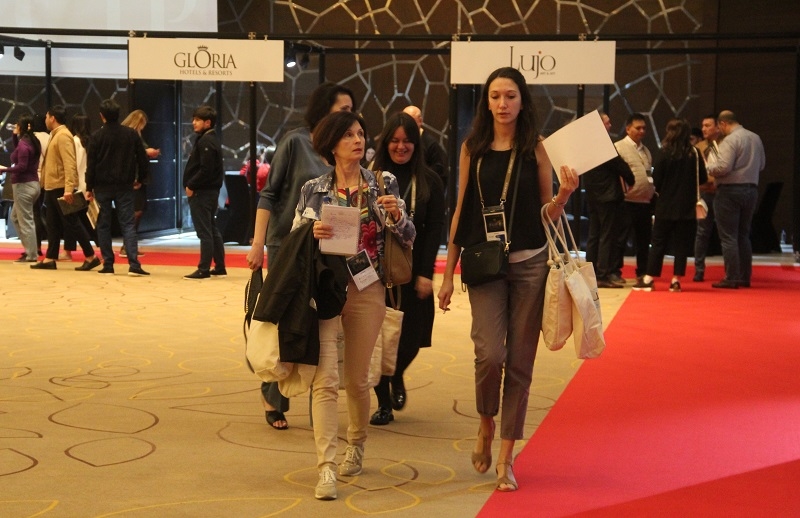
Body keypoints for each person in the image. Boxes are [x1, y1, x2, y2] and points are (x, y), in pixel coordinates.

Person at [437, 67, 578, 493]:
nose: (502, 104)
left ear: (522, 101)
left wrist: (563, 196)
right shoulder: (473, 148)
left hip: (530, 264)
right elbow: (461, 209)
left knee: (519, 362)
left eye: (510, 96)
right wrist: (447, 274)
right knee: (489, 354)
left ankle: (506, 456)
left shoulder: (536, 147)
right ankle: (485, 422)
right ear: (486, 101)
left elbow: (545, 211)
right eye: (495, 96)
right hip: (484, 263)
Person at [293, 110, 415, 500]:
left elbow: (409, 235)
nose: (358, 140)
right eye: (348, 135)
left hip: (368, 287)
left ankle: (356, 443)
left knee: (358, 379)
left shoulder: (383, 182)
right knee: (324, 380)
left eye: (361, 133)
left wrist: (396, 216)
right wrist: (311, 231)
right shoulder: (314, 188)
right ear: (332, 144)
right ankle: (326, 467)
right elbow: (295, 238)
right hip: (326, 289)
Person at [246, 82, 355, 431]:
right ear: (324, 110)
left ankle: (317, 402)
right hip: (289, 244)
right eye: (342, 109)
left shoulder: (345, 151)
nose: (349, 117)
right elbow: (269, 194)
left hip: (330, 251)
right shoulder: (295, 143)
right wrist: (257, 243)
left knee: (321, 325)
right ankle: (273, 394)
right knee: (287, 320)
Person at [368, 112, 445, 426]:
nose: (401, 147)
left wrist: (426, 273)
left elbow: (435, 229)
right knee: (376, 338)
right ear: (386, 143)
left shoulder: (429, 180)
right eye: (395, 141)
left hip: (413, 270)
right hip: (376, 272)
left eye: (407, 141)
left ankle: (396, 372)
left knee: (413, 336)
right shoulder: (370, 178)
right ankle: (383, 402)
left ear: (417, 143)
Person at [633, 118, 707, 292]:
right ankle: (676, 280)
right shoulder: (694, 153)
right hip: (687, 206)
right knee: (682, 244)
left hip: (665, 205)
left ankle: (649, 278)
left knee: (658, 242)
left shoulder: (664, 152)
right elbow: (702, 178)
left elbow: (656, 180)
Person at [85, 99, 150, 277]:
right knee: (128, 224)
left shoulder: (97, 136)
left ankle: (108, 264)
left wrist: (89, 187)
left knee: (103, 225)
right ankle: (134, 264)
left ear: (102, 116)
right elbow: (142, 159)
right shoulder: (131, 134)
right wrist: (141, 179)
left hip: (102, 186)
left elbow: (91, 164)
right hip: (125, 185)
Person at [31, 105, 100, 271]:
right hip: (53, 186)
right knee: (53, 224)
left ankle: (91, 256)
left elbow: (70, 164)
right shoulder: (57, 134)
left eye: (47, 117)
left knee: (72, 222)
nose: (45, 120)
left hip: (61, 187)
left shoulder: (63, 136)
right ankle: (50, 258)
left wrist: (69, 189)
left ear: (52, 118)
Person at [706, 110, 765, 289]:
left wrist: (708, 167)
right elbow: (762, 165)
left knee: (728, 237)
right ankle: (744, 277)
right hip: (751, 190)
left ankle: (731, 277)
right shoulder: (755, 138)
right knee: (743, 235)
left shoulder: (730, 140)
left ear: (723, 124)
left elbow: (723, 167)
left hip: (729, 191)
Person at [583, 111, 635, 288]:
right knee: (607, 236)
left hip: (592, 195)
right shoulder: (603, 143)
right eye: (607, 122)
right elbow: (620, 165)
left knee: (594, 235)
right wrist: (631, 180)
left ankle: (590, 274)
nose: (610, 125)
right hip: (608, 196)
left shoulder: (586, 144)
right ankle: (603, 275)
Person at [182, 105, 226, 280]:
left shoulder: (206, 141)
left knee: (204, 232)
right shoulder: (211, 139)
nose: (194, 123)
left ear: (208, 123)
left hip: (202, 193)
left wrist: (191, 185)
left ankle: (204, 269)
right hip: (210, 192)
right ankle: (220, 267)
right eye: (194, 119)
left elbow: (206, 169)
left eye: (198, 120)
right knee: (212, 229)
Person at [614, 113, 655, 282]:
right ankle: (615, 271)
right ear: (628, 129)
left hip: (644, 202)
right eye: (638, 128)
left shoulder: (646, 150)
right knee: (620, 239)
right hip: (626, 201)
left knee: (644, 240)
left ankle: (642, 271)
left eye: (644, 128)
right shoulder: (619, 147)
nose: (642, 131)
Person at [0, 115, 42, 262]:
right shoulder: (31, 141)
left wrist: (4, 169)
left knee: (26, 221)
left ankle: (32, 254)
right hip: (32, 184)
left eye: (17, 125)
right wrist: (14, 136)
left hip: (24, 186)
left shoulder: (24, 145)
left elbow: (22, 166)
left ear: (21, 127)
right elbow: (19, 151)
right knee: (16, 218)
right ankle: (29, 250)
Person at [120, 109, 161, 258]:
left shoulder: (133, 135)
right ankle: (128, 246)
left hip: (137, 178)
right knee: (135, 211)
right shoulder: (130, 136)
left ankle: (129, 245)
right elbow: (132, 157)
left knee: (137, 211)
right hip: (134, 178)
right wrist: (146, 152)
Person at [693, 114, 723, 282]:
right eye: (703, 125)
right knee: (702, 232)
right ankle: (699, 269)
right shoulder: (698, 148)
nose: (703, 129)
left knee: (725, 233)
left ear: (718, 127)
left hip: (722, 194)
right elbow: (695, 173)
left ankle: (731, 271)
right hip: (704, 193)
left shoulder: (726, 145)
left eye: (708, 125)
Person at [61, 114, 95, 261]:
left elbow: (72, 164)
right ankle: (101, 247)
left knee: (71, 220)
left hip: (76, 185)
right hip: (88, 184)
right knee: (87, 220)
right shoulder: (92, 141)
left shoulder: (74, 141)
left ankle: (68, 251)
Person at [402, 105, 449, 186]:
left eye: (411, 121)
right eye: (403, 121)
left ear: (420, 121)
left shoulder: (431, 144)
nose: (406, 125)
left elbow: (440, 174)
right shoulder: (400, 143)